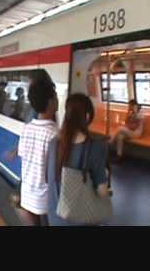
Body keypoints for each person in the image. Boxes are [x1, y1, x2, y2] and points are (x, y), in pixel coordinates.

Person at [46, 93, 109, 226]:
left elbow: (48, 178)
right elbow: (102, 192)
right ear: (87, 116)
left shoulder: (53, 143)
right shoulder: (95, 147)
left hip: (54, 219)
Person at [16, 77, 58, 226]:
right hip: (45, 199)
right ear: (51, 102)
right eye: (55, 96)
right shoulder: (55, 134)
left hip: (27, 195)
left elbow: (23, 158)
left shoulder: (26, 128)